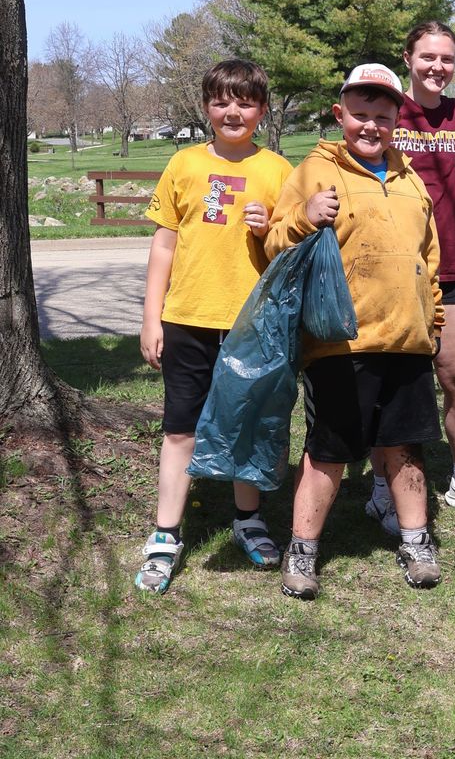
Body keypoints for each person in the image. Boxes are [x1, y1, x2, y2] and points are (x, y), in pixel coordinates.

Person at [265, 64, 445, 600]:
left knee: (405, 446)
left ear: (398, 119)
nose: (371, 126)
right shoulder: (316, 171)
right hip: (341, 343)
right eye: (360, 115)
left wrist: (431, 320)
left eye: (382, 117)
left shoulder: (412, 180)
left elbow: (427, 260)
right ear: (340, 114)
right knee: (330, 449)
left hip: (407, 342)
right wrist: (304, 215)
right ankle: (302, 551)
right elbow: (275, 244)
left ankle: (417, 542)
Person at [136, 59, 293, 594]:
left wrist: (270, 227)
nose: (233, 111)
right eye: (222, 101)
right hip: (187, 318)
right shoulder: (182, 163)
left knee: (248, 422)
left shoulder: (277, 170)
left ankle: (248, 519)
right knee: (181, 426)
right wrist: (150, 316)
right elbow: (164, 244)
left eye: (245, 102)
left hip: (254, 322)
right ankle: (165, 534)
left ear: (262, 110)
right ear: (206, 107)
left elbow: (290, 245)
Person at [364, 22, 455, 535]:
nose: (437, 68)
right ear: (408, 57)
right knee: (390, 387)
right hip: (390, 271)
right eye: (428, 57)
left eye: (446, 59)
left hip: (449, 269)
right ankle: (383, 486)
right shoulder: (385, 110)